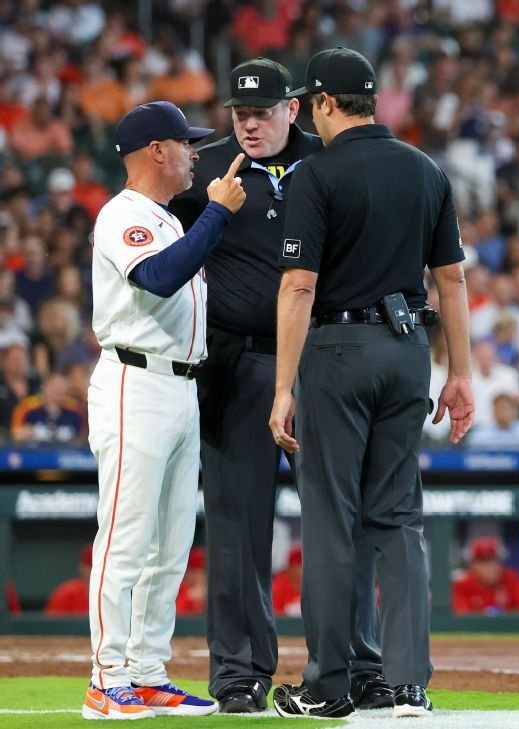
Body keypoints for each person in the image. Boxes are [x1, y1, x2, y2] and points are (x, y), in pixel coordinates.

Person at [171, 57, 394, 715]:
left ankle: (356, 667)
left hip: (321, 360)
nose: (249, 124)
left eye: (262, 113)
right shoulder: (208, 169)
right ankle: (239, 673)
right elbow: (158, 249)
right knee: (236, 526)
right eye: (240, 114)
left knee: (340, 519)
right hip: (235, 364)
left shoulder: (329, 163)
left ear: (293, 108)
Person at [267, 47, 473, 720]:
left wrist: (283, 385)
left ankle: (328, 686)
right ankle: (407, 682)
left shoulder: (315, 174)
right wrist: (461, 373)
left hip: (339, 348)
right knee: (399, 518)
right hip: (409, 349)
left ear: (325, 102)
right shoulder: (425, 169)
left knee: (331, 519)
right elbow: (452, 280)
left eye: (310, 103)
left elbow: (299, 286)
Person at [84, 100, 246, 720]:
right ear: (156, 150)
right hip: (135, 381)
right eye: (186, 144)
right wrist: (218, 213)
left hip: (181, 387)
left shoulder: (166, 218)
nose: (194, 153)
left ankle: (147, 671)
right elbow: (156, 278)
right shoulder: (123, 214)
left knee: (170, 545)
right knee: (125, 538)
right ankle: (106, 679)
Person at [450, 536, 519, 615]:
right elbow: (461, 618)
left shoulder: (511, 578)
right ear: (473, 565)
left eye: (493, 561)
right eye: (483, 562)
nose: (490, 568)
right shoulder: (462, 584)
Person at [45, 543, 93, 616]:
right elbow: (50, 622)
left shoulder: (110, 593)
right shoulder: (65, 594)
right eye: (90, 565)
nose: (92, 570)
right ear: (81, 567)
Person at [271, 545, 304, 617]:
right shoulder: (278, 586)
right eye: (299, 565)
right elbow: (275, 616)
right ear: (290, 567)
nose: (302, 570)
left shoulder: (314, 587)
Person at [174, 548, 207, 616]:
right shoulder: (179, 589)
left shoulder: (212, 590)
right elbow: (177, 613)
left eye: (201, 572)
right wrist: (189, 597)